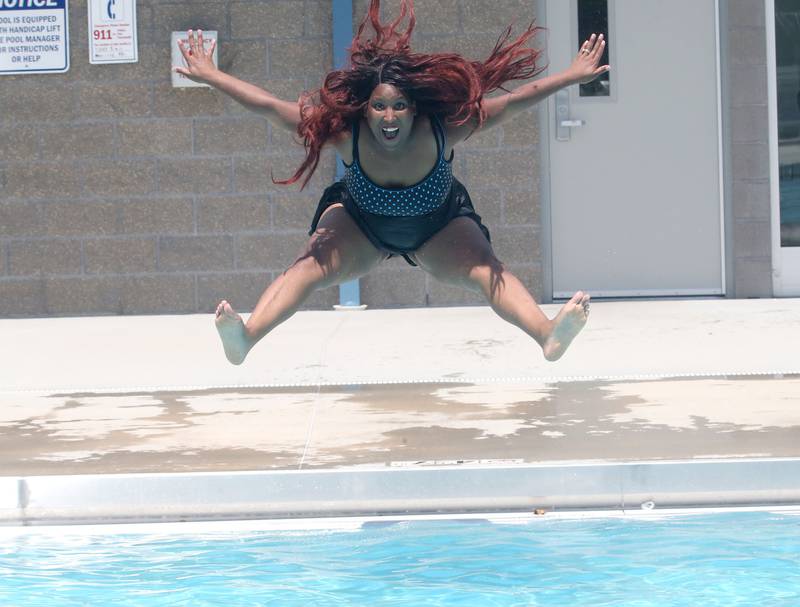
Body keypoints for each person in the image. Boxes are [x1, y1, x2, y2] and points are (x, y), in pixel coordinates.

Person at [174, 0, 609, 366]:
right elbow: (269, 106)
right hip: (361, 226)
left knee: (484, 267)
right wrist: (213, 76)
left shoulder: (442, 131)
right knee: (310, 266)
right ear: (365, 111)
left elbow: (513, 103)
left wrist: (571, 76)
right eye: (380, 107)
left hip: (438, 225)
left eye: (399, 106)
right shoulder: (347, 136)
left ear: (415, 110)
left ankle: (547, 334)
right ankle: (246, 337)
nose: (389, 118)